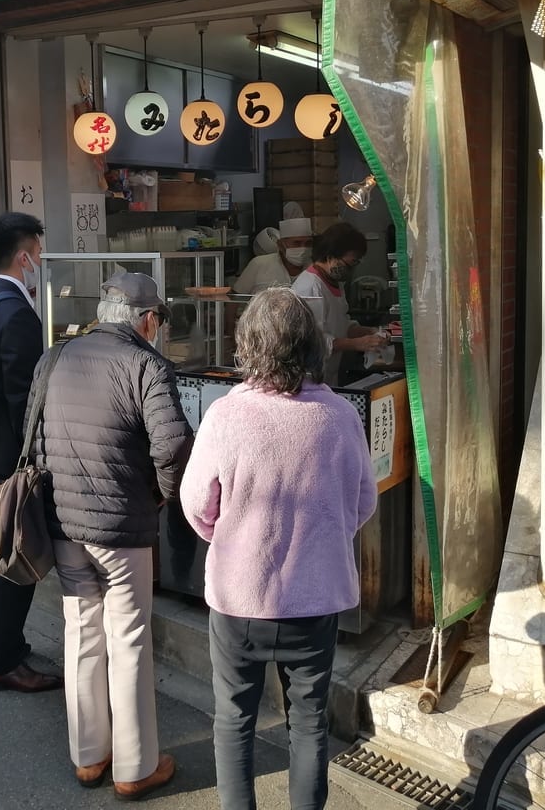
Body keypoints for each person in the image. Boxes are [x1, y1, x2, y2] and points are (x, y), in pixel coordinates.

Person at [178, 287, 379, 810]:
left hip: (239, 597)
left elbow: (198, 506)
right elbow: (362, 504)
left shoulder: (227, 415)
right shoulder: (339, 417)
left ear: (248, 346)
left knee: (234, 719)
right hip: (317, 599)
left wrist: (232, 539)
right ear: (312, 346)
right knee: (309, 723)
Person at [30, 271, 192, 800]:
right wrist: (164, 495)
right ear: (148, 319)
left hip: (62, 519)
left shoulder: (55, 356)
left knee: (80, 633)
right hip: (121, 526)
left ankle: (88, 756)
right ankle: (134, 766)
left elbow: (32, 434)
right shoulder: (146, 364)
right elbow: (171, 447)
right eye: (158, 321)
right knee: (128, 639)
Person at [0, 211, 62, 694]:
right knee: (12, 553)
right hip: (9, 458)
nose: (41, 261)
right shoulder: (17, 314)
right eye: (39, 254)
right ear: (25, 257)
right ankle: (4, 659)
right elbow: (26, 400)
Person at [290, 221, 387, 385]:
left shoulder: (335, 282)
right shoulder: (310, 288)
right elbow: (314, 341)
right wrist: (357, 344)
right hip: (306, 379)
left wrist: (369, 332)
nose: (352, 269)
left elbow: (341, 323)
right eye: (350, 263)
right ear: (330, 256)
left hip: (327, 375)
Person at [232, 218, 314, 295]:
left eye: (308, 243)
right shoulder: (259, 264)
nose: (303, 248)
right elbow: (235, 298)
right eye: (297, 243)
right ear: (281, 245)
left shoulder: (315, 268)